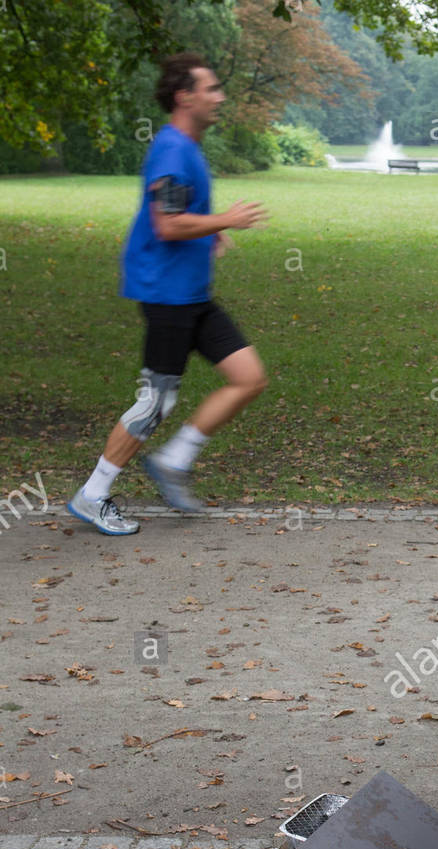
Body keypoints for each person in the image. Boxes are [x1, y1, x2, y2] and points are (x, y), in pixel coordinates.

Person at [68, 53, 269, 536]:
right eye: (210, 88)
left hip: (192, 295)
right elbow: (166, 223)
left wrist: (210, 232)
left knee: (248, 377)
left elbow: (182, 215)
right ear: (185, 96)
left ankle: (173, 460)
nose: (219, 96)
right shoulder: (173, 150)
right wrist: (224, 220)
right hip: (167, 297)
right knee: (155, 403)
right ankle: (92, 494)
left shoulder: (189, 148)